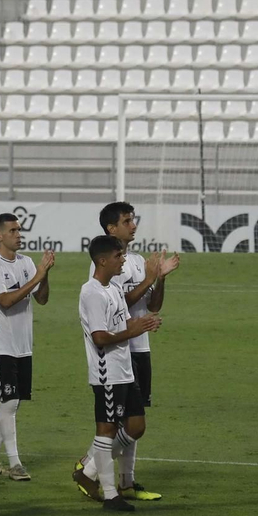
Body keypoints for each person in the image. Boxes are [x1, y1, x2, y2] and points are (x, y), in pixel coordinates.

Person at [86, 201, 178, 500]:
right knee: (121, 421)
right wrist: (150, 279)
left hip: (139, 348)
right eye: (127, 221)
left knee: (134, 419)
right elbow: (116, 301)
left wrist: (160, 278)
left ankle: (126, 481)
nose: (133, 225)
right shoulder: (102, 263)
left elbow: (153, 305)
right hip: (118, 349)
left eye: (133, 219)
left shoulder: (136, 260)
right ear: (111, 228)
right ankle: (91, 469)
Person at [76, 235, 162, 512]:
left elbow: (124, 323)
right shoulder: (91, 293)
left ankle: (87, 471)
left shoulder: (112, 288)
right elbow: (100, 337)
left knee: (136, 426)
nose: (123, 259)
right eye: (117, 256)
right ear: (102, 260)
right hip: (106, 372)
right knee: (107, 429)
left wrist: (143, 323)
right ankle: (111, 494)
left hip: (125, 370)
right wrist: (132, 331)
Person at [0, 212, 54, 482]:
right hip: (1, 345)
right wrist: (36, 277)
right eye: (13, 231)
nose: (19, 235)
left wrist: (44, 276)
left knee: (11, 404)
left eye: (19, 230)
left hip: (23, 345)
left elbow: (41, 299)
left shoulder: (27, 263)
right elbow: (5, 301)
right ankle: (15, 463)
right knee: (9, 402)